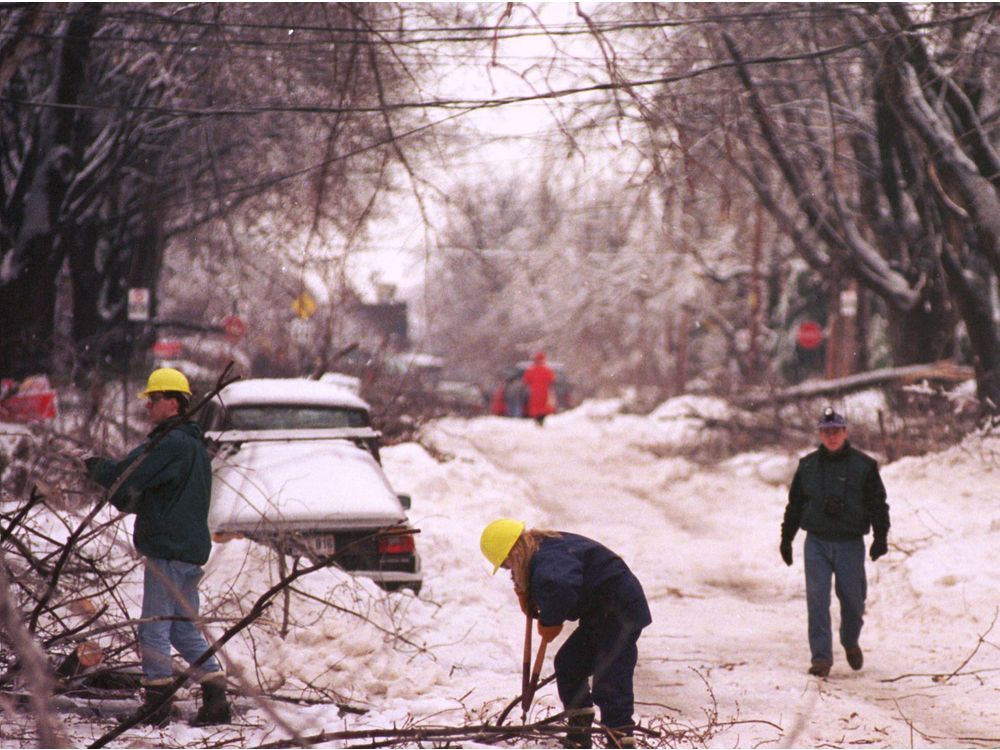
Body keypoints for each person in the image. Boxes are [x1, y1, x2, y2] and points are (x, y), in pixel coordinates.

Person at [86, 367, 231, 726]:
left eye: (152, 399)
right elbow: (149, 491)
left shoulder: (171, 443)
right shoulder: (194, 445)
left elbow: (129, 475)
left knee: (153, 626)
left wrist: (95, 468)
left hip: (168, 549)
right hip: (189, 551)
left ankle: (156, 703)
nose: (147, 406)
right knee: (182, 628)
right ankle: (216, 698)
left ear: (171, 401)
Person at [480, 519, 651, 749]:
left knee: (609, 675)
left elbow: (560, 587)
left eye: (506, 564)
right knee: (569, 663)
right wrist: (528, 592)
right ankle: (579, 725)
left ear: (514, 551)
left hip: (620, 610)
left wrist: (550, 620)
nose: (509, 570)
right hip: (600, 613)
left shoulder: (548, 559)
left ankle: (620, 736)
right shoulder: (542, 550)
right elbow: (554, 582)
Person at [780, 406, 891, 678]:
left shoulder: (863, 466)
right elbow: (794, 506)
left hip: (849, 543)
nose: (831, 437)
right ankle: (821, 658)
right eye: (825, 432)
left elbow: (878, 504)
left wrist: (880, 536)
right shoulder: (807, 467)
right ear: (819, 434)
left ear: (845, 432)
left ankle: (850, 640)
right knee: (817, 600)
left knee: (853, 601)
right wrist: (787, 537)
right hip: (816, 542)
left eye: (836, 431)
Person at [523, 351, 556, 425]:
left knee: (535, 406)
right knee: (543, 406)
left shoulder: (531, 370)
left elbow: (526, 380)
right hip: (544, 392)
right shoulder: (547, 370)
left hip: (534, 392)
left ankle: (537, 419)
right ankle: (542, 419)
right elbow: (552, 380)